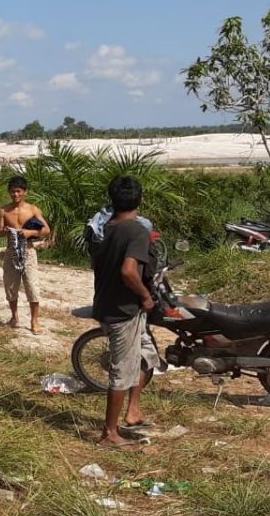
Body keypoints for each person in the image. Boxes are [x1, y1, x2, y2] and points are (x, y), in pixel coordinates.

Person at [91, 175, 160, 448]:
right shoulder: (136, 231)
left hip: (109, 304)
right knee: (121, 372)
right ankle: (109, 434)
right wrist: (145, 296)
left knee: (146, 355)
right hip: (123, 310)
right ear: (139, 200)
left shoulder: (106, 228)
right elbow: (128, 271)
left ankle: (132, 412)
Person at [0, 175, 51, 335]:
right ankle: (14, 317)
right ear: (9, 192)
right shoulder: (3, 210)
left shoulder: (33, 210)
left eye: (19, 191)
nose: (16, 195)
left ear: (25, 192)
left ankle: (35, 321)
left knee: (32, 286)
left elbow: (46, 230)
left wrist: (30, 232)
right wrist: (5, 231)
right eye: (13, 192)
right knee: (11, 286)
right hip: (11, 251)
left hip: (28, 250)